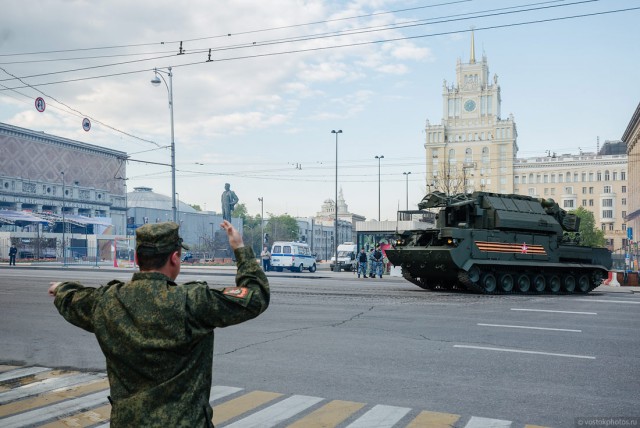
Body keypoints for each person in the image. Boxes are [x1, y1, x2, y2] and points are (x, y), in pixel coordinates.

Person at [48, 220, 269, 427]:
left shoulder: (105, 302)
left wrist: (61, 288)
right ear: (174, 257)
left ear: (137, 258)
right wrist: (240, 248)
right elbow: (255, 297)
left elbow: (74, 298)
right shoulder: (192, 301)